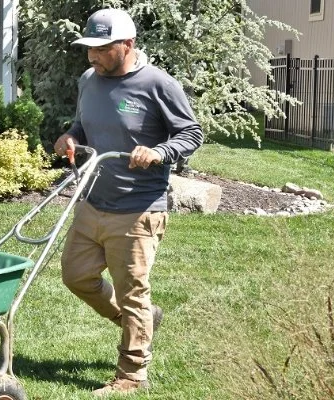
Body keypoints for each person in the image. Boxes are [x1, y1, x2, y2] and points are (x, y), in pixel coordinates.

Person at [54, 7, 204, 397]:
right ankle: (140, 322)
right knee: (76, 276)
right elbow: (80, 125)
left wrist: (159, 152)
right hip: (92, 199)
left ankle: (132, 374)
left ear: (127, 44)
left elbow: (191, 133)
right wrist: (69, 137)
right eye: (90, 48)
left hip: (138, 208)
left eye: (102, 48)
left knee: (133, 291)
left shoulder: (158, 84)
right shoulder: (89, 79)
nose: (93, 56)